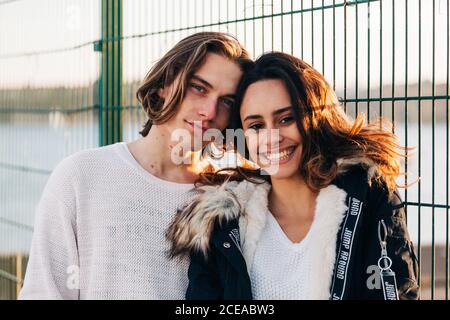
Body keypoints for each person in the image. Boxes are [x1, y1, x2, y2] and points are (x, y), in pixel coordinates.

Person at [167, 52, 420, 300]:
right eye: (256, 126)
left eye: (286, 119)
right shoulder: (222, 223)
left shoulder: (368, 196)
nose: (272, 138)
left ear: (314, 117)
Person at [19, 32, 251, 299]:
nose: (209, 111)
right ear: (164, 84)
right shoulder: (81, 176)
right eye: (199, 88)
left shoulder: (231, 198)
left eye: (227, 101)